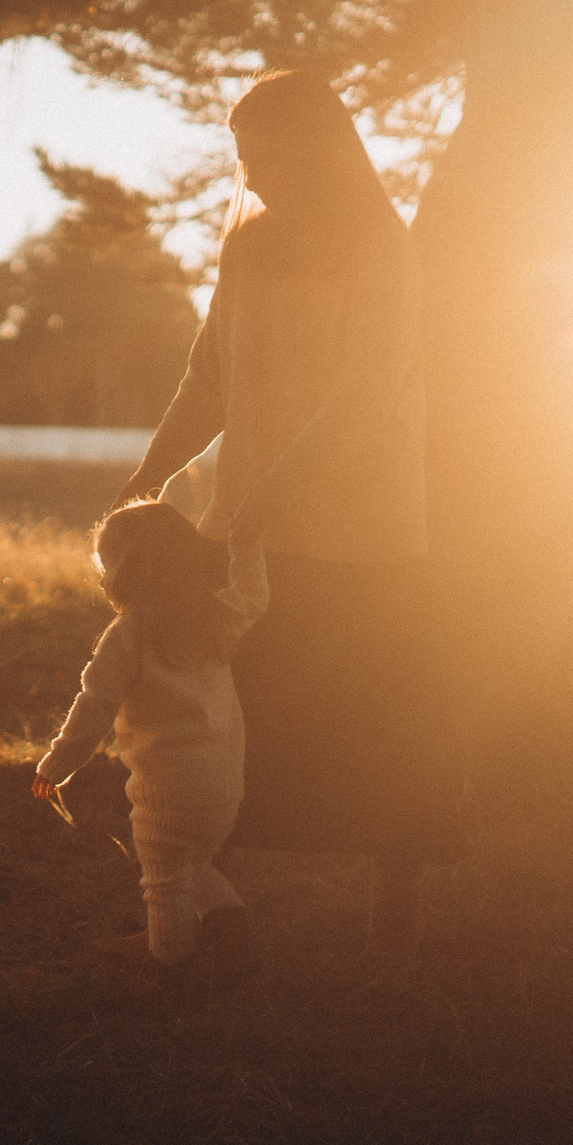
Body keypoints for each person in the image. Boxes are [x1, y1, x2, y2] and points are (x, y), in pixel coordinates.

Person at [116, 69, 457, 962]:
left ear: (321, 152)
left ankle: (394, 923)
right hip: (250, 529)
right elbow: (208, 377)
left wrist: (265, 499)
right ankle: (207, 913)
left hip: (362, 534)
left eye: (268, 156)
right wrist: (149, 476)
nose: (254, 175)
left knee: (375, 725)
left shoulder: (382, 250)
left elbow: (360, 400)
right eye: (245, 158)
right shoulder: (250, 248)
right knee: (229, 727)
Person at [32, 500, 249, 982]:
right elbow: (256, 595)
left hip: (166, 792)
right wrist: (248, 545)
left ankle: (169, 969)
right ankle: (231, 931)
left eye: (107, 566)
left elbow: (94, 706)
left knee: (164, 884)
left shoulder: (128, 632)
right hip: (225, 787)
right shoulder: (217, 617)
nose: (103, 578)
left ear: (128, 568)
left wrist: (57, 764)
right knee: (195, 864)